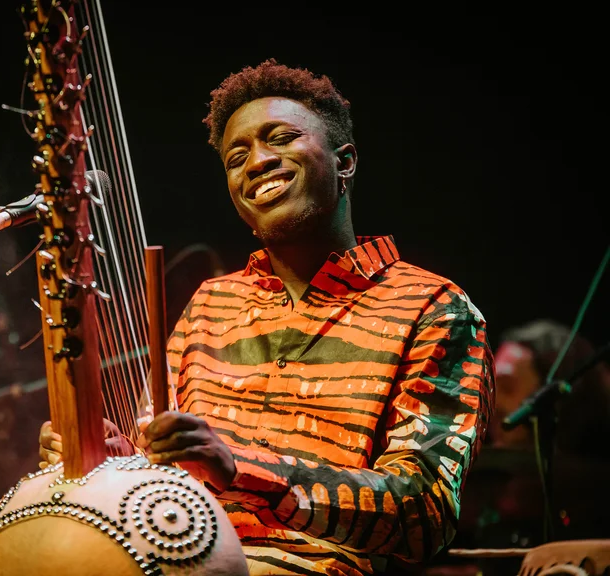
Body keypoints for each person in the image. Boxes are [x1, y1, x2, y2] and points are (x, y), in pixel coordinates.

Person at [39, 59, 496, 576]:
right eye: (237, 157)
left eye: (279, 138)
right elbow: (158, 469)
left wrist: (241, 470)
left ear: (344, 163)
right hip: (171, 557)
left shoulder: (432, 307)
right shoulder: (210, 304)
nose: (256, 161)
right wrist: (111, 453)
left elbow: (423, 515)